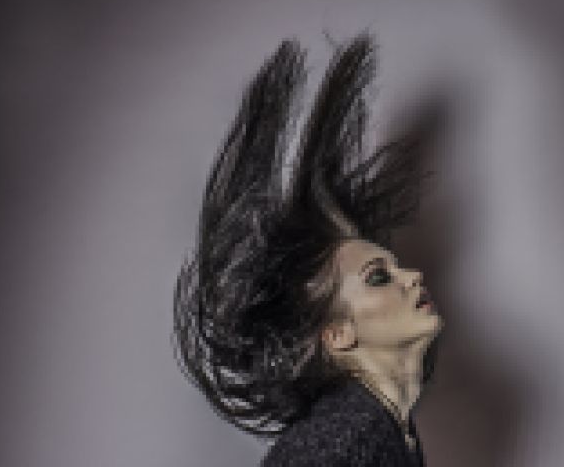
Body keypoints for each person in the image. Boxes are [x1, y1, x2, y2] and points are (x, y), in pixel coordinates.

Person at [173, 32, 444, 466]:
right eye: (379, 277)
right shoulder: (340, 437)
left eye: (395, 269)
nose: (412, 277)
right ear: (338, 335)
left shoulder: (390, 428)